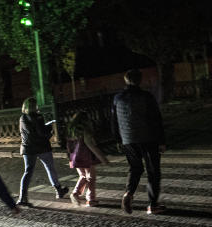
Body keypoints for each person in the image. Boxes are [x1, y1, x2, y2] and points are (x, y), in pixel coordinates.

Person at [111, 69, 166, 215]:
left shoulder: (117, 98)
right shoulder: (146, 96)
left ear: (125, 80)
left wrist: (118, 139)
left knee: (135, 168)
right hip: (149, 138)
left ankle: (128, 194)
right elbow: (156, 119)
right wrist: (161, 140)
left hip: (128, 139)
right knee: (153, 171)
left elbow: (114, 121)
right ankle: (153, 204)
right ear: (140, 80)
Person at [17, 97, 68, 206]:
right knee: (50, 168)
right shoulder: (38, 117)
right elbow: (41, 132)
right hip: (42, 147)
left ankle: (22, 197)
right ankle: (58, 190)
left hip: (28, 148)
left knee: (28, 172)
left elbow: (30, 132)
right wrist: (50, 130)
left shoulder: (22, 118)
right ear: (34, 106)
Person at [65, 110, 110, 207]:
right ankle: (90, 199)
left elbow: (68, 146)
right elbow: (90, 145)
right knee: (91, 178)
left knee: (83, 176)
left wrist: (70, 157)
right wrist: (102, 158)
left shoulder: (71, 131)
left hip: (75, 157)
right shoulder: (85, 130)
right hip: (86, 156)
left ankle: (76, 193)